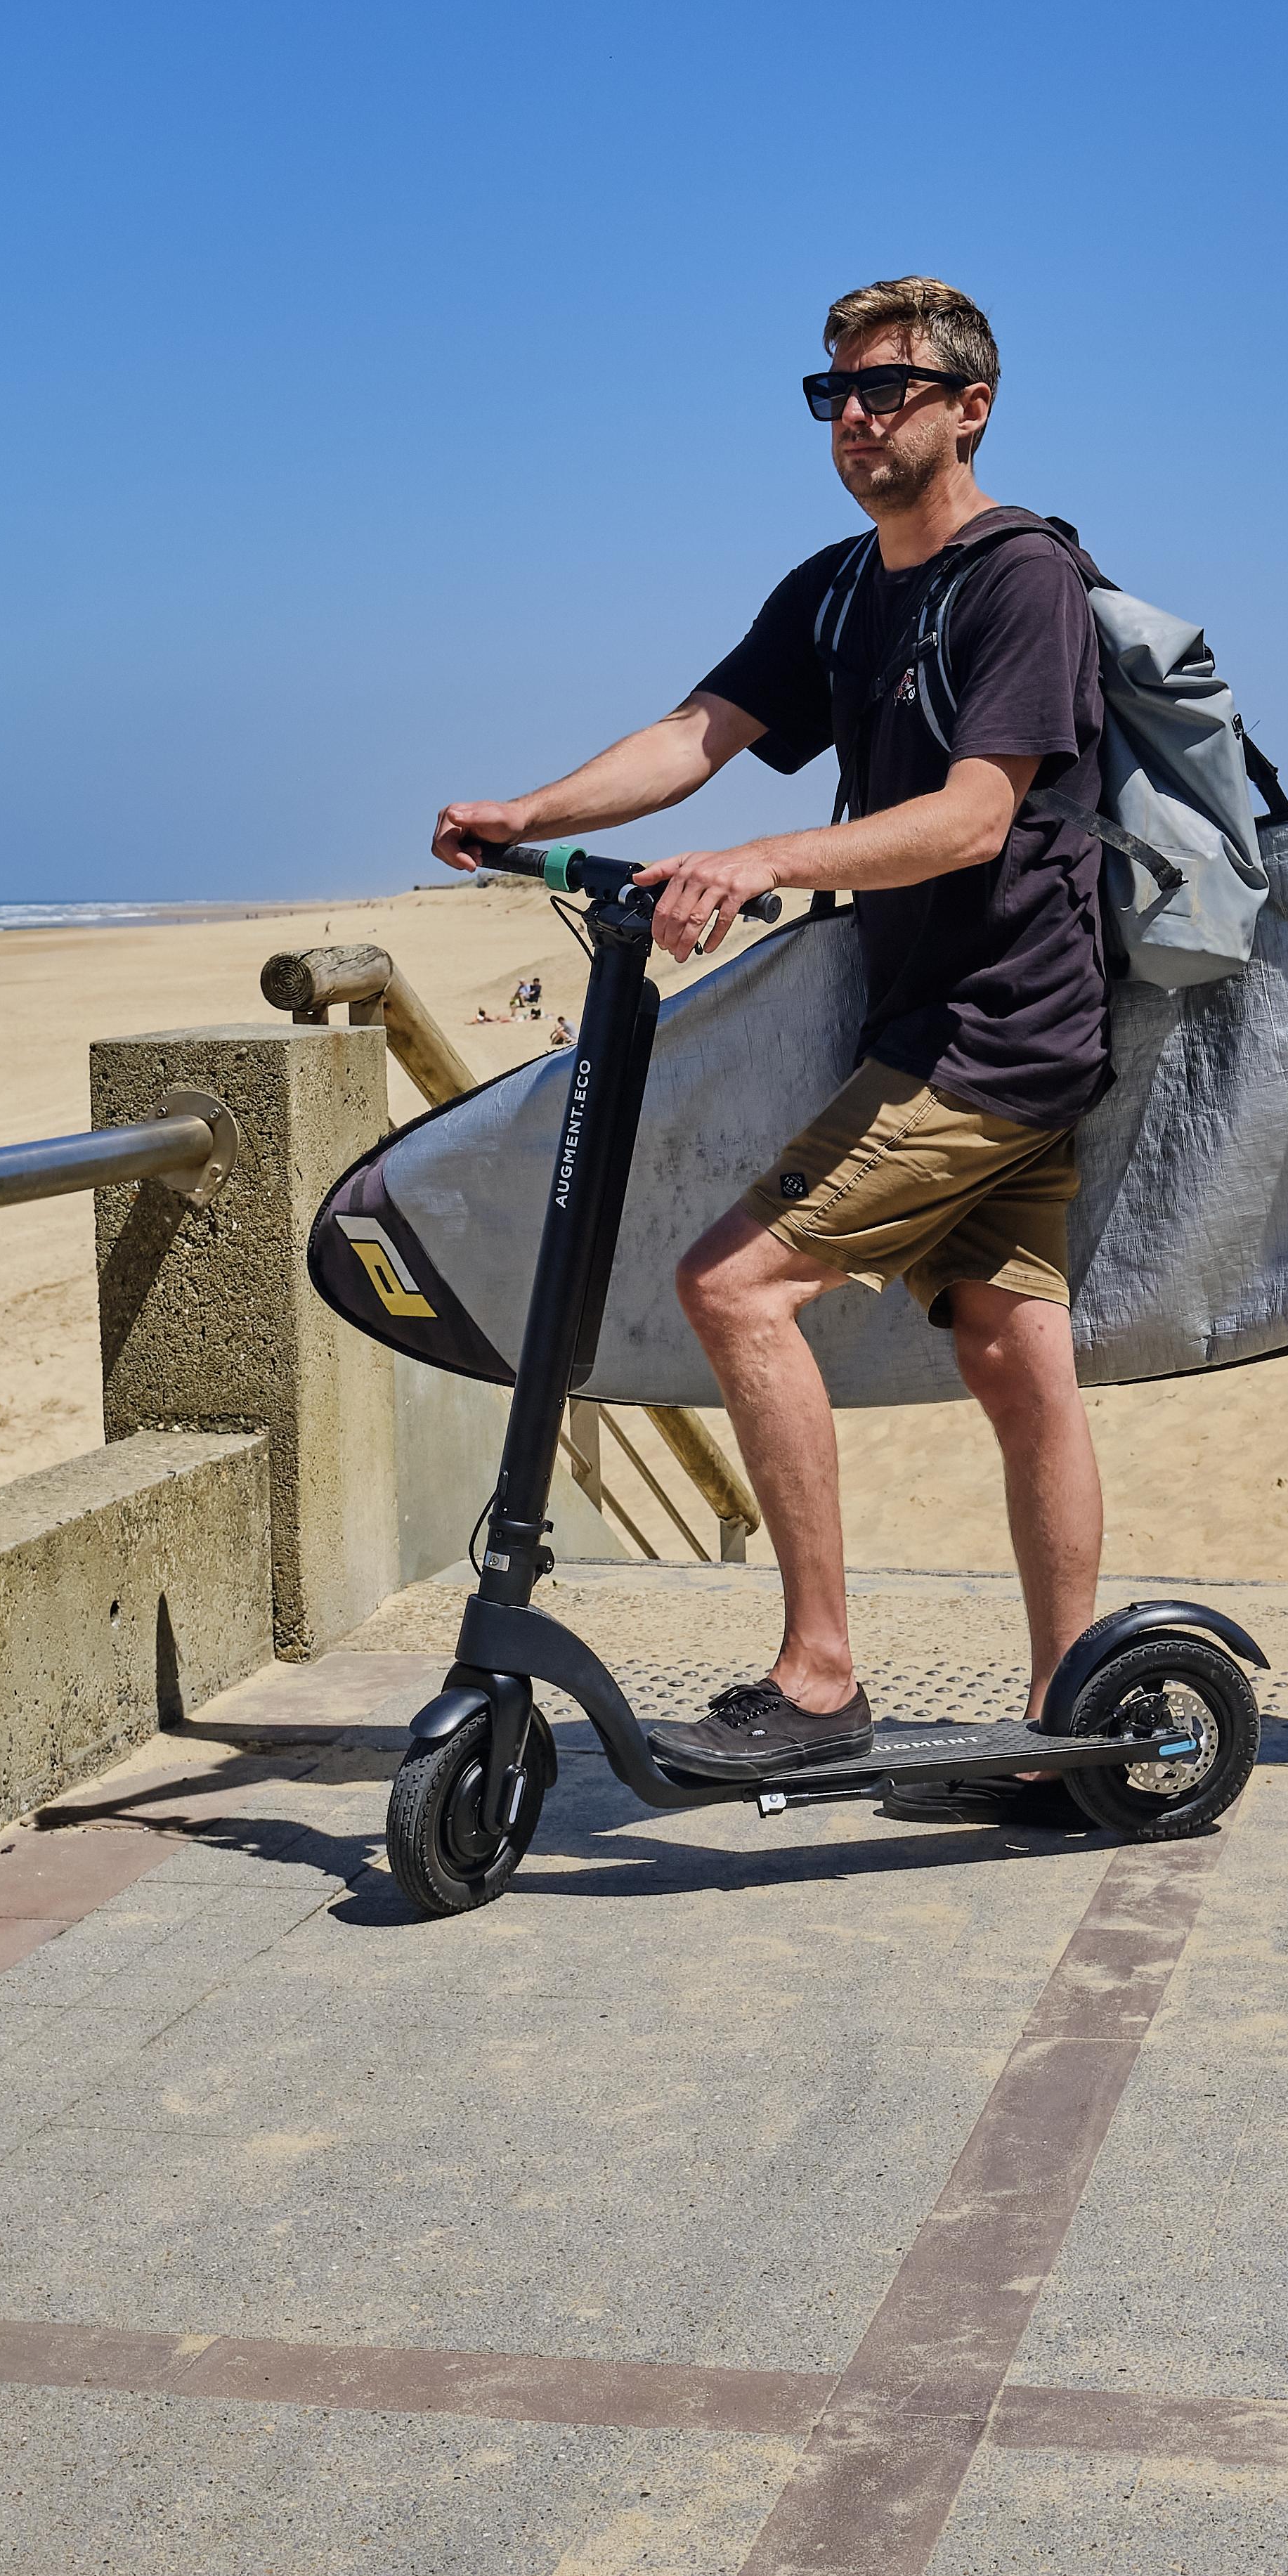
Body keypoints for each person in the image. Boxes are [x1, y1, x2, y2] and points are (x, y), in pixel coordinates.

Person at [432, 276, 1104, 1798]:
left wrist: (767, 859)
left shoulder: (1022, 583)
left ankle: (819, 1677)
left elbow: (976, 814)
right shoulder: (837, 590)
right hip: (932, 1019)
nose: (855, 416)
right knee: (1012, 1350)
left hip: (1003, 1028)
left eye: (888, 390)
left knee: (733, 1285)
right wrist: (530, 812)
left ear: (969, 408)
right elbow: (699, 733)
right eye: (834, 394)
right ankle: (1077, 1709)